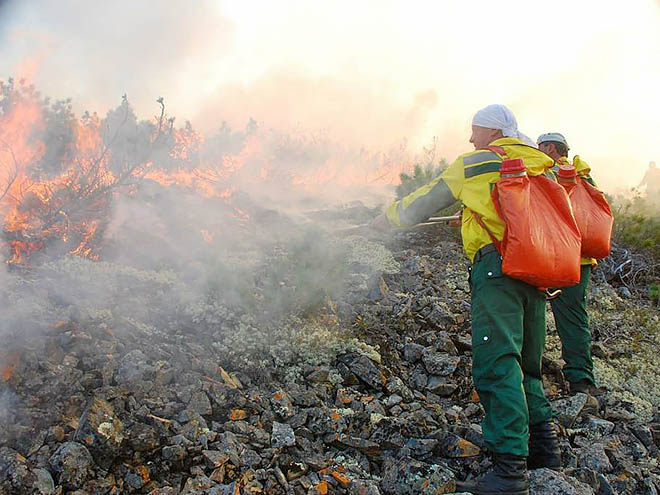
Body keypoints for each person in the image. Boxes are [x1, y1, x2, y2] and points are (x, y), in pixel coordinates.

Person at [372, 104, 560, 495]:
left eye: (475, 131)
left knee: (497, 364)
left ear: (491, 132)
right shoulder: (538, 160)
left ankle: (509, 472)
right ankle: (545, 452)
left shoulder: (475, 163)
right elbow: (515, 213)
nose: (470, 138)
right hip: (538, 269)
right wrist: (474, 216)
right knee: (528, 363)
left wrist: (387, 217)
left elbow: (427, 199)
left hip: (498, 272)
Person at [537, 132, 598, 396]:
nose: (537, 151)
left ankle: (533, 372)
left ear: (550, 148)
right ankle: (581, 379)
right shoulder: (582, 175)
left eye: (540, 147)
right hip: (581, 258)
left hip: (554, 256)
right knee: (574, 317)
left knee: (533, 312)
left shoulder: (550, 172)